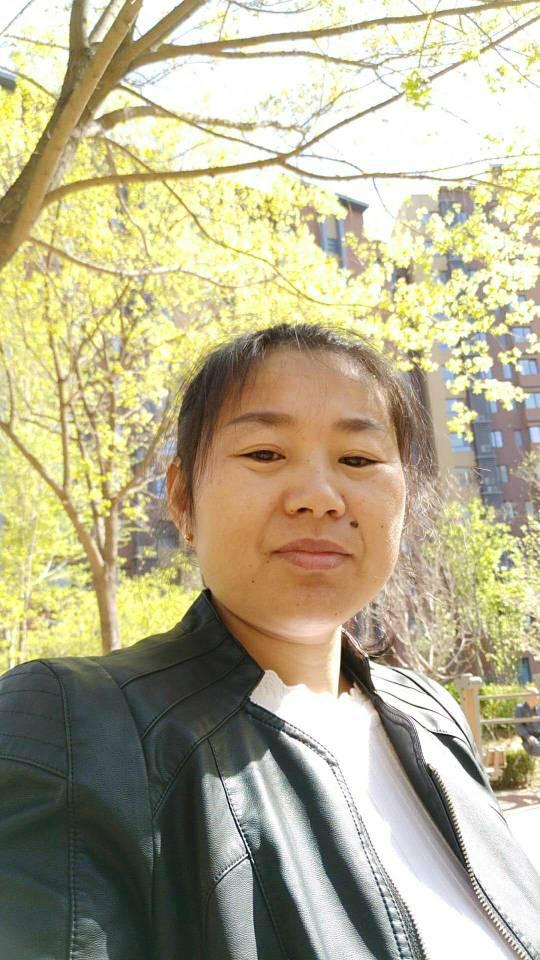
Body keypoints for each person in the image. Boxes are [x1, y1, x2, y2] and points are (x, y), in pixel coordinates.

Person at [0, 322, 539, 960]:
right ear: (182, 497)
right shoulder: (76, 725)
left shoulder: (432, 714)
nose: (319, 498)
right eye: (264, 454)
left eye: (358, 459)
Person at [515, 687, 540, 757]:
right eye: (537, 695)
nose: (539, 697)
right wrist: (528, 737)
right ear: (530, 697)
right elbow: (518, 726)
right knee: (537, 746)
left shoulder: (539, 708)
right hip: (529, 738)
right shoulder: (520, 708)